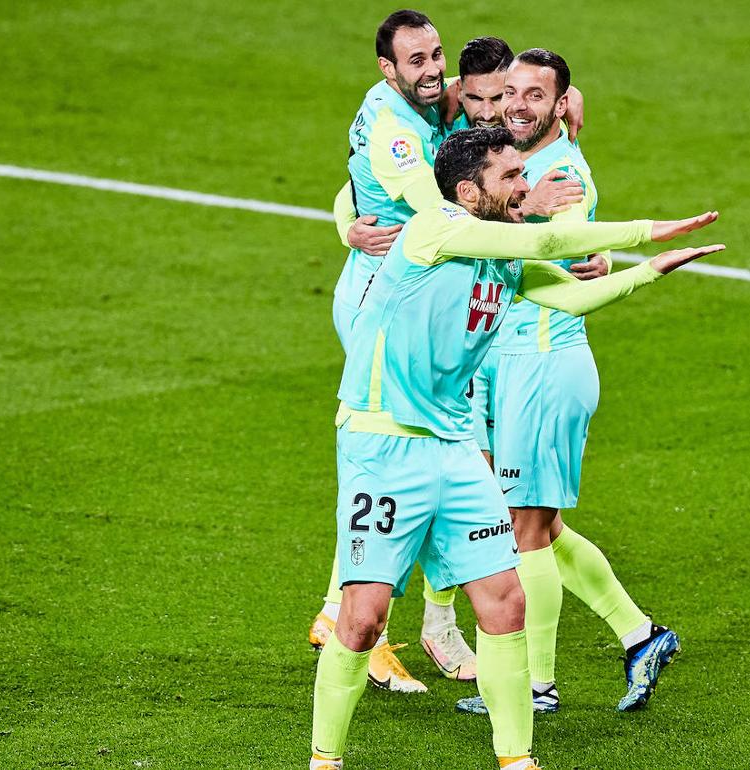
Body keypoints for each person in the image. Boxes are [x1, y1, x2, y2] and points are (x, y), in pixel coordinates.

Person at [309, 125, 723, 770]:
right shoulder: (437, 229)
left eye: (523, 175)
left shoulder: (500, 256)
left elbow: (567, 295)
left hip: (452, 445)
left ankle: (517, 761)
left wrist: (648, 273)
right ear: (469, 190)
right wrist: (647, 230)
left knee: (505, 602)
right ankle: (325, 760)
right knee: (362, 618)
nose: (524, 187)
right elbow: (547, 237)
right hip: (382, 444)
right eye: (510, 177)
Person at [312, 29, 591, 686]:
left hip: (453, 312)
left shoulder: (478, 138)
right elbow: (375, 189)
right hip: (391, 301)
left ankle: (433, 624)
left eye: (511, 99)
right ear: (466, 95)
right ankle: (349, 616)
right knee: (403, 456)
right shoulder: (426, 127)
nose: (498, 112)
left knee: (460, 461)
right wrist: (345, 226)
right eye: (486, 98)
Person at [456, 49, 677, 718]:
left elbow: (560, 253)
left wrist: (581, 244)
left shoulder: (565, 177)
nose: (515, 104)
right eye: (511, 91)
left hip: (545, 365)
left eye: (534, 95)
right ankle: (641, 635)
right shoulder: (519, 155)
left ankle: (535, 685)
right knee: (540, 526)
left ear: (561, 104)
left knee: (522, 529)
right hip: (510, 362)